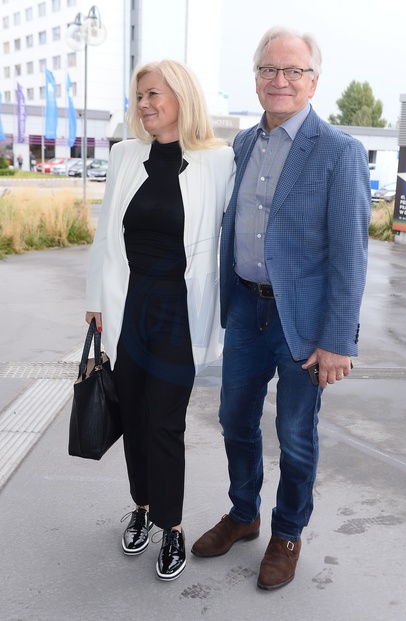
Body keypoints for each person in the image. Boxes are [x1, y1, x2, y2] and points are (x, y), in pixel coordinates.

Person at [191, 26, 371, 590]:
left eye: (294, 70)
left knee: (295, 435)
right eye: (269, 69)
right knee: (234, 421)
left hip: (306, 326)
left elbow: (351, 255)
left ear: (313, 81)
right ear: (256, 79)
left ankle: (287, 532)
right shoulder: (242, 145)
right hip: (247, 310)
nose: (280, 80)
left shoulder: (339, 151)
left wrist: (338, 341)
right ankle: (244, 513)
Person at [85, 59, 235, 581]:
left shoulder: (218, 160)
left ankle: (171, 526)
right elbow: (106, 236)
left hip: (180, 312)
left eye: (153, 93)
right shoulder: (124, 154)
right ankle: (142, 507)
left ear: (182, 97)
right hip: (129, 308)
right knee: (133, 416)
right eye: (139, 95)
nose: (144, 104)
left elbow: (232, 236)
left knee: (165, 422)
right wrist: (96, 301)